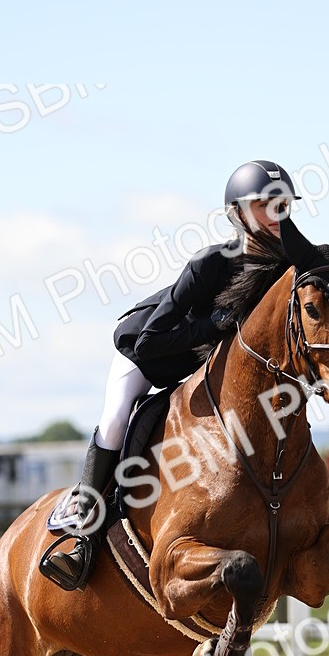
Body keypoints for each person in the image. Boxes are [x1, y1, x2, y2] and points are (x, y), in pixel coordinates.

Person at [41, 160, 301, 590]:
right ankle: (83, 530)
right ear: (237, 212)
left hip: (201, 372)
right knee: (116, 419)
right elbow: (150, 341)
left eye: (283, 204)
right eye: (264, 205)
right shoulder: (211, 264)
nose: (275, 214)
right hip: (147, 357)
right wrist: (213, 324)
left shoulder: (288, 267)